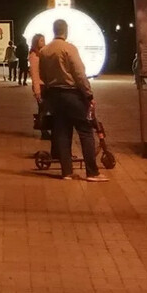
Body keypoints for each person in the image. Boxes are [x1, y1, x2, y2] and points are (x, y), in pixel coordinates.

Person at [38, 19, 107, 182]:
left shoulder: (44, 51)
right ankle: (92, 172)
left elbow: (42, 75)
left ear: (53, 30)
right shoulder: (69, 48)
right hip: (72, 95)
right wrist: (89, 95)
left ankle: (67, 171)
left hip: (54, 96)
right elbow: (79, 74)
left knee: (62, 132)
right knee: (85, 131)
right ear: (65, 31)